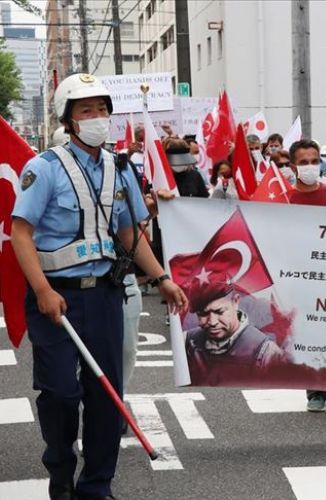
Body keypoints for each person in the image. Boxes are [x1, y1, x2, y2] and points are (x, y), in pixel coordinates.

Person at [10, 72, 187, 500]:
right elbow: (21, 233)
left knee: (106, 395)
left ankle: (97, 486)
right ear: (68, 119)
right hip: (56, 298)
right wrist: (42, 290)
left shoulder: (119, 167)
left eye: (102, 109)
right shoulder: (44, 168)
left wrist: (161, 277)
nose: (97, 117)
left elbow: (130, 235)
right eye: (87, 110)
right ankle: (61, 472)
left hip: (105, 295)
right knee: (60, 393)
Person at [287, 139, 326, 410]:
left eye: (314, 161)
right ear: (293, 166)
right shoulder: (283, 197)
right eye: (304, 162)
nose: (311, 166)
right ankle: (315, 390)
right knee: (308, 332)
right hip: (299, 276)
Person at [185, 272, 285, 386]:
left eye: (220, 312)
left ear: (236, 301)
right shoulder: (186, 342)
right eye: (203, 314)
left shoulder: (266, 352)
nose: (212, 322)